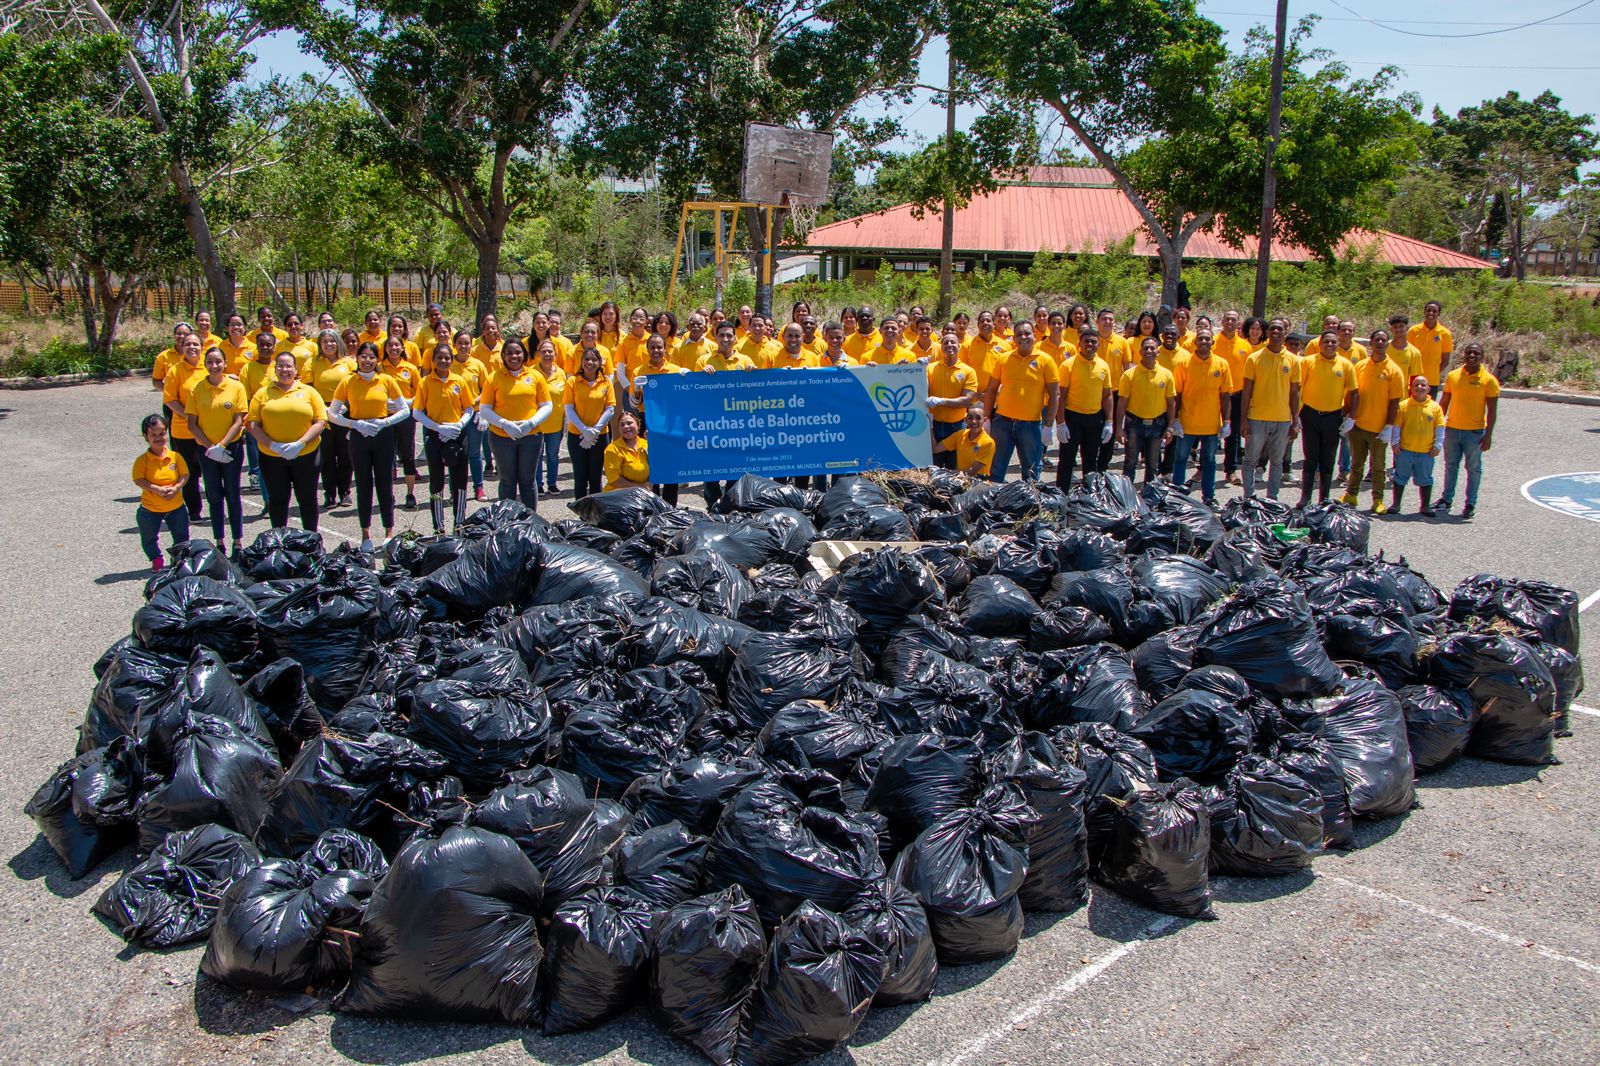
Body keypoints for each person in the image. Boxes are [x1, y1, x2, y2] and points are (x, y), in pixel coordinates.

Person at [329, 342, 412, 550]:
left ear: (377, 359)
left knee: (385, 484)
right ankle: (365, 534)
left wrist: (385, 422)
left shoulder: (386, 380)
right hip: (359, 437)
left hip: (382, 434)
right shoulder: (347, 381)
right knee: (364, 485)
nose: (367, 361)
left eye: (372, 357)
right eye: (363, 356)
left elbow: (404, 410)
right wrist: (353, 424)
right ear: (357, 358)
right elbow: (332, 413)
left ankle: (388, 532)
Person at [247, 351, 328, 531]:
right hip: (272, 456)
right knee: (278, 500)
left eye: (288, 366)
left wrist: (301, 443)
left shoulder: (309, 391)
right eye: (281, 366)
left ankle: (310, 539)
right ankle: (279, 541)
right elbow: (252, 424)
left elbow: (321, 421)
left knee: (307, 499)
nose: (285, 369)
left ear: (295, 369)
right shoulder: (262, 393)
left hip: (306, 454)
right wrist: (272, 445)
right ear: (275, 369)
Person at [185, 346, 248, 558]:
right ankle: (219, 541)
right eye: (210, 362)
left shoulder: (236, 387)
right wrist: (210, 447)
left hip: (231, 448)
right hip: (206, 451)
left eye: (218, 361)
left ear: (224, 363)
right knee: (214, 495)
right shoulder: (197, 388)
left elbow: (239, 420)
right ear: (205, 364)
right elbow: (192, 423)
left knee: (232, 494)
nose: (214, 366)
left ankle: (237, 541)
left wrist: (222, 445)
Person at [412, 344, 478, 533]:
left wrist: (459, 424)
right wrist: (437, 427)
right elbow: (417, 411)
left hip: (457, 434)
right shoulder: (425, 383)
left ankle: (459, 523)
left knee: (460, 481)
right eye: (439, 357)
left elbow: (469, 407)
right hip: (435, 435)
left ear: (452, 359)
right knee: (436, 482)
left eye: (447, 357)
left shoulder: (458, 381)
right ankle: (438, 527)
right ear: (433, 360)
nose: (443, 361)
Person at [479, 337, 554, 507]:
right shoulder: (494, 378)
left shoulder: (535, 376)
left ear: (524, 354)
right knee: (507, 480)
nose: (514, 356)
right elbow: (485, 409)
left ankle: (530, 521)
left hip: (531, 436)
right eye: (510, 353)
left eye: (518, 352)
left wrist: (530, 423)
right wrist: (505, 424)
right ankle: (507, 521)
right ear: (503, 356)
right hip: (501, 437)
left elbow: (547, 405)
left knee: (528, 481)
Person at [983, 322, 1058, 483]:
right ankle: (993, 503)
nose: (1023, 337)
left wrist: (1049, 425)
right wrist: (987, 418)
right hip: (1002, 423)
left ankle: (1030, 504)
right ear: (1014, 338)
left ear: (1035, 336)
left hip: (1031, 425)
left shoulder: (1046, 360)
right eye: (1019, 334)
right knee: (995, 467)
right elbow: (991, 389)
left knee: (1031, 470)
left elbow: (1054, 394)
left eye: (1027, 333)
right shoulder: (1004, 359)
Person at [1343, 327, 1406, 513]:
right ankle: (1351, 494)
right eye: (1376, 340)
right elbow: (1352, 393)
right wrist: (1348, 416)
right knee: (1356, 464)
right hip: (1358, 425)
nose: (1379, 343)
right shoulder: (1360, 366)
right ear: (1370, 343)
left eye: (1383, 340)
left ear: (1387, 344)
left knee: (1378, 467)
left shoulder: (1394, 371)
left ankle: (1377, 499)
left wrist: (1389, 426)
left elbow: (1395, 401)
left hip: (1379, 429)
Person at [1436, 341, 1498, 519]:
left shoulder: (1489, 381)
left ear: (1482, 357)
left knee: (1473, 468)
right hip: (1453, 430)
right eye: (1469, 353)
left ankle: (1470, 503)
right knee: (1450, 466)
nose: (1472, 356)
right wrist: (1438, 426)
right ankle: (1446, 499)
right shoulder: (1453, 376)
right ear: (1464, 355)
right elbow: (1444, 402)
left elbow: (1492, 411)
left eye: (1476, 353)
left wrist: (1488, 435)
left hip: (1475, 433)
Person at [1239, 318, 1300, 499]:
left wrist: (1295, 420)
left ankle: (1272, 499)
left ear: (1284, 333)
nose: (1275, 332)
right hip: (1257, 418)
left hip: (1282, 420)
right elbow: (1246, 391)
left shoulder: (1293, 360)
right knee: (1250, 460)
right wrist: (1243, 419)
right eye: (1272, 328)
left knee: (1277, 462)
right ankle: (1249, 497)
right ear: (1267, 332)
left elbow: (1295, 393)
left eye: (1279, 329)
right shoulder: (1254, 358)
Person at [1170, 329, 1231, 505]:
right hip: (1187, 423)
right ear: (1195, 342)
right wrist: (1175, 420)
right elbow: (1177, 395)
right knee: (1180, 458)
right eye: (1201, 339)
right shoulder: (1184, 363)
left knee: (1209, 461)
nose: (1204, 341)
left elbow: (1225, 395)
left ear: (1213, 342)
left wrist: (1226, 422)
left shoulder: (1221, 364)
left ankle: (1209, 497)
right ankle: (1178, 496)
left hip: (1211, 425)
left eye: (1207, 339)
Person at [1297, 329, 1357, 507]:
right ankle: (1305, 497)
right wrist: (1297, 415)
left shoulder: (1346, 365)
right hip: (1310, 414)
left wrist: (1350, 417)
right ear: (1320, 344)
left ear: (1337, 344)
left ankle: (1324, 498)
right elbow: (1298, 388)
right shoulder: (1308, 362)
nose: (1330, 345)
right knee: (1310, 457)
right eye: (1326, 342)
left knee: (1328, 458)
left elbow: (1353, 392)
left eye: (1333, 342)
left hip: (1333, 417)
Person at [1053, 330, 1113, 492]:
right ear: (1079, 343)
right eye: (1086, 341)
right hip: (1073, 418)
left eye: (1094, 342)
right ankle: (1061, 494)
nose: (1090, 345)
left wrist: (1109, 421)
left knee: (1090, 459)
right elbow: (1061, 395)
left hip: (1094, 419)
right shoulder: (1068, 365)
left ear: (1098, 345)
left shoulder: (1103, 366)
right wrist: (1061, 423)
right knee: (1067, 459)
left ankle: (1089, 495)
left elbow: (1107, 395)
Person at [132, 413, 190, 571]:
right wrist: (155, 488)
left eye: (162, 433)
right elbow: (138, 479)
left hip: (176, 505)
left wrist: (177, 487)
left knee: (182, 536)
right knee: (149, 537)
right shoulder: (142, 460)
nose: (158, 438)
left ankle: (179, 560)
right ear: (146, 437)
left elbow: (184, 475)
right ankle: (156, 558)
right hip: (151, 508)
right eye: (153, 435)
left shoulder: (175, 457)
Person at [160, 334, 208, 523]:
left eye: (195, 344)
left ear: (202, 347)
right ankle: (194, 510)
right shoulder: (175, 371)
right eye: (187, 344)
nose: (192, 347)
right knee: (189, 472)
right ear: (182, 346)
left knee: (210, 471)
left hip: (208, 430)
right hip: (183, 431)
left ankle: (216, 508)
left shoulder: (209, 367)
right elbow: (170, 399)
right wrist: (189, 416)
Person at [306, 328, 356, 508]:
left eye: (332, 341)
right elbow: (308, 389)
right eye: (325, 341)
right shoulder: (313, 363)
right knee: (327, 455)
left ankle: (345, 492)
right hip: (323, 411)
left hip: (344, 410)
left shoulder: (349, 362)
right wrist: (321, 409)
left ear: (338, 343)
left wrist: (347, 406)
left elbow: (355, 386)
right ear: (320, 344)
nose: (329, 345)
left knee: (345, 453)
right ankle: (329, 494)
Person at [1115, 338, 1177, 484]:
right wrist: (1118, 427)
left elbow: (1171, 402)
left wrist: (1170, 427)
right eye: (1146, 348)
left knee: (1152, 464)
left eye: (1152, 348)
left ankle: (1149, 496)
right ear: (1140, 352)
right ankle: (1128, 495)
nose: (1149, 351)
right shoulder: (1129, 375)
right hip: (1134, 424)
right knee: (1130, 462)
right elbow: (1122, 402)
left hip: (1157, 424)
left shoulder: (1166, 375)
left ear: (1158, 351)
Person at [1390, 375, 1446, 517]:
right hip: (1405, 451)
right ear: (1411, 388)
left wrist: (1438, 445)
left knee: (1425, 479)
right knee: (1399, 477)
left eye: (1423, 385)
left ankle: (1425, 506)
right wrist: (1395, 442)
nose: (1419, 387)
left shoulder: (1435, 408)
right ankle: (1396, 505)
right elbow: (1397, 426)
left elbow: (1440, 428)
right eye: (1416, 385)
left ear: (1428, 389)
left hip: (1426, 452)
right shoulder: (1404, 406)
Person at [566, 347, 616, 499]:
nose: (590, 362)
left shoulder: (606, 382)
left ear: (599, 362)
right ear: (581, 362)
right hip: (577, 436)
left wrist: (594, 430)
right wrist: (584, 430)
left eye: (594, 359)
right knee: (580, 478)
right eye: (586, 359)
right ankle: (581, 514)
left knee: (595, 478)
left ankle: (596, 515)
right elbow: (569, 408)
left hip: (599, 436)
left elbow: (610, 409)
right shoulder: (573, 381)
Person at [449, 327, 492, 499]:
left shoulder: (477, 365)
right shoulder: (449, 363)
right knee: (456, 455)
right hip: (454, 416)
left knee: (474, 453)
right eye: (460, 343)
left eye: (467, 343)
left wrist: (476, 403)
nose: (463, 346)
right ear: (454, 344)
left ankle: (478, 488)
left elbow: (486, 389)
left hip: (474, 415)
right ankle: (455, 490)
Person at [381, 336, 424, 508]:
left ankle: (410, 493)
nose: (393, 348)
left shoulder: (410, 368)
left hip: (405, 416)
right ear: (385, 348)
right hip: (386, 416)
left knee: (407, 454)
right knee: (386, 456)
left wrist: (410, 402)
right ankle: (388, 494)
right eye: (390, 345)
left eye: (396, 345)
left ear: (402, 348)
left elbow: (420, 391)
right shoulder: (379, 368)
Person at [927, 332, 979, 469]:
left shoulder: (968, 371)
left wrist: (941, 401)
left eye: (953, 342)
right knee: (933, 469)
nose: (949, 345)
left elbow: (967, 401)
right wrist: (916, 368)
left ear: (959, 346)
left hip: (957, 427)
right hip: (934, 427)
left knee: (955, 469)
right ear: (941, 346)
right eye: (946, 342)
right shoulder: (930, 368)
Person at [1214, 310, 1252, 486]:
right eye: (1227, 319)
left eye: (1233, 320)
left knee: (1233, 434)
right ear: (1222, 321)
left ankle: (1230, 470)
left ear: (1238, 324)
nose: (1230, 322)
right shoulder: (1213, 341)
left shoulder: (1245, 346)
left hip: (1236, 394)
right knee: (1208, 432)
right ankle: (1202, 468)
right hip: (1214, 394)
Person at [534, 339, 568, 495]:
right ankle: (538, 484)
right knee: (537, 455)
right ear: (538, 354)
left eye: (550, 351)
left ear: (555, 353)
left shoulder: (561, 373)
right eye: (544, 351)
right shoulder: (531, 373)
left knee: (553, 455)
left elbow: (566, 398)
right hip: (538, 424)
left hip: (556, 423)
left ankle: (552, 483)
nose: (547, 354)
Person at [931, 405, 996, 478]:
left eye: (978, 418)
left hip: (979, 482)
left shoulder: (988, 442)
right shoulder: (960, 435)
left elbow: (972, 472)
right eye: (970, 418)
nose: (974, 421)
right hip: (960, 479)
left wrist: (947, 473)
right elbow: (935, 449)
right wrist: (930, 427)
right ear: (965, 419)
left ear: (984, 420)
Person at [1408, 300, 1454, 398]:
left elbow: (1445, 359)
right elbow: (1407, 354)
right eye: (1428, 310)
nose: (1431, 313)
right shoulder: (1414, 330)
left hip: (1432, 381)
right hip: (1413, 379)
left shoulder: (1445, 333)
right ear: (1424, 312)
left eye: (1434, 311)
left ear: (1439, 313)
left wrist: (1435, 372)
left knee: (1429, 411)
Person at [602, 412, 650, 491]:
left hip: (643, 493)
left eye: (629, 423)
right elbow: (614, 480)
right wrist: (640, 487)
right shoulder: (612, 449)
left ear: (638, 425)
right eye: (622, 425)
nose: (626, 427)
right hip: (619, 496)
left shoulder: (646, 444)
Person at [151, 322, 192, 390]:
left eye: (185, 334)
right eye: (178, 333)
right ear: (174, 335)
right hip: (173, 399)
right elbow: (156, 381)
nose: (181, 336)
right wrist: (170, 391)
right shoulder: (163, 356)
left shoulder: (198, 356)